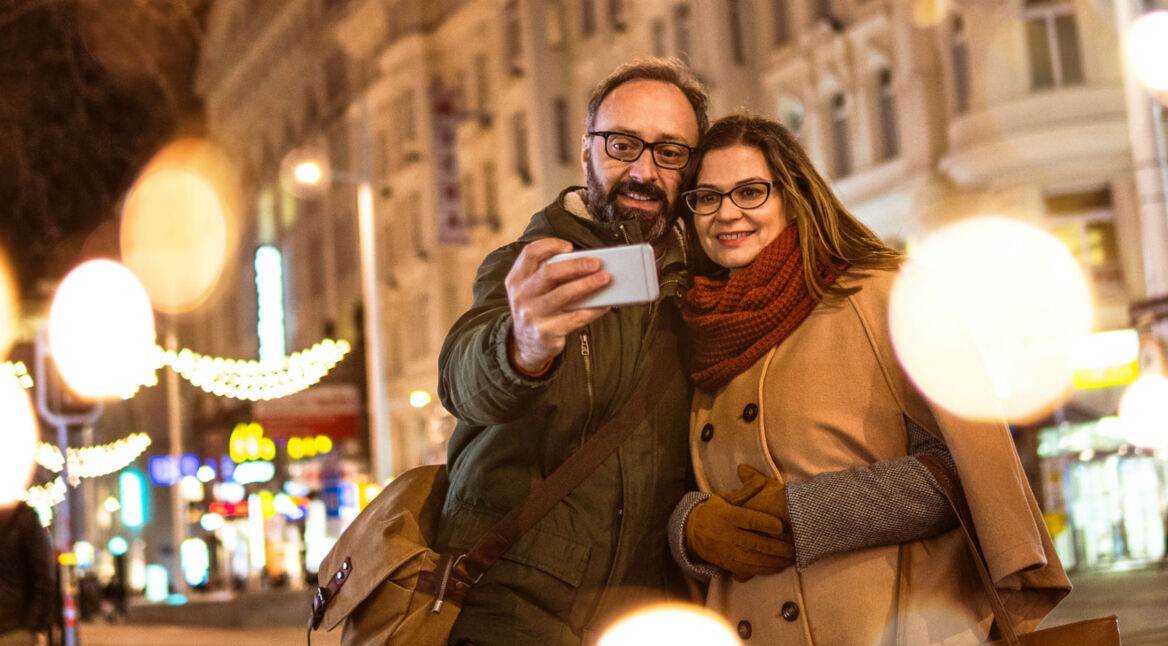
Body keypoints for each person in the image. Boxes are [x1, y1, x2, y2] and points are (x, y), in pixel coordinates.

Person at [667, 114, 1071, 644]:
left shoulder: (885, 294)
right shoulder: (697, 327)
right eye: (708, 197)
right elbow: (672, 486)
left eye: (750, 192)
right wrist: (691, 532)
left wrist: (802, 512)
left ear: (793, 196)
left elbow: (963, 474)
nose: (727, 213)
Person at [435, 57, 709, 645]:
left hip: (645, 614)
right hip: (509, 611)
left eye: (669, 152)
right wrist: (522, 345)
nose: (642, 169)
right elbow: (461, 380)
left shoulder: (702, 289)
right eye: (622, 144)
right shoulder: (528, 267)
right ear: (586, 152)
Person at [0, 502, 54, 645]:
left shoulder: (23, 517)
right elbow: (43, 574)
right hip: (17, 626)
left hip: (15, 629)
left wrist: (34, 624)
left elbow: (42, 575)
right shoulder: (24, 516)